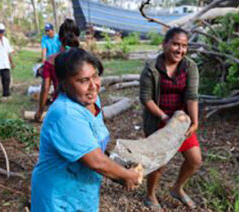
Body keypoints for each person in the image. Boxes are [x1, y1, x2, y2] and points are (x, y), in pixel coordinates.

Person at [31, 47, 141, 211]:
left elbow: (93, 144)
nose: (93, 86)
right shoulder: (65, 114)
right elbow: (96, 161)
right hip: (59, 199)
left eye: (95, 76)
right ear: (64, 83)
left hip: (81, 191)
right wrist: (127, 176)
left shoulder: (92, 102)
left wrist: (118, 165)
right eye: (83, 81)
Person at [139, 27, 202, 209]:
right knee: (159, 164)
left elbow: (191, 96)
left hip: (181, 122)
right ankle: (150, 195)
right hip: (159, 121)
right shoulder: (151, 68)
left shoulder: (190, 67)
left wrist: (195, 122)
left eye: (184, 46)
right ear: (165, 44)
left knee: (195, 160)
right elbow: (146, 98)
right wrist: (165, 118)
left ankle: (177, 188)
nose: (179, 50)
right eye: (175, 44)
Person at [35, 19, 80, 122]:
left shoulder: (50, 61)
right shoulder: (83, 58)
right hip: (80, 107)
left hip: (61, 108)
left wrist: (40, 111)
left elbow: (45, 88)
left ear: (59, 38)